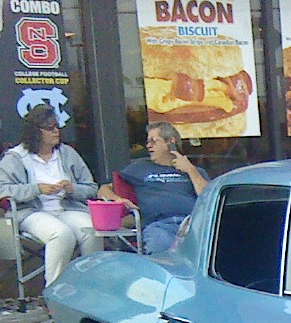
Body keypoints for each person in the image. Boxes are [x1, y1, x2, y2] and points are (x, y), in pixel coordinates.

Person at [0, 103, 103, 283]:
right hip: (33, 212)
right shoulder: (15, 157)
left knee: (92, 230)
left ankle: (91, 284)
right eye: (50, 128)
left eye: (57, 127)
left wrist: (72, 188)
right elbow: (3, 189)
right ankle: (54, 291)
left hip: (67, 208)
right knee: (61, 234)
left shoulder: (68, 153)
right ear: (36, 131)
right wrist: (37, 189)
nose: (56, 131)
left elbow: (91, 187)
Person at [98, 121, 208, 254]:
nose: (148, 146)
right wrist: (118, 200)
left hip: (193, 224)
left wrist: (190, 170)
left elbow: (207, 198)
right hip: (160, 225)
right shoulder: (139, 167)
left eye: (153, 141)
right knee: (161, 249)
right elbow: (103, 190)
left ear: (170, 141)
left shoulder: (195, 171)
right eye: (148, 142)